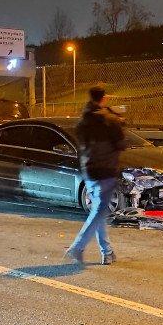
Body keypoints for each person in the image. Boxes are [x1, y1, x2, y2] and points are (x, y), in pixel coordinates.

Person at [65, 85, 127, 265]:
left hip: (89, 171)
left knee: (98, 210)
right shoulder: (109, 120)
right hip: (106, 170)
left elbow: (82, 142)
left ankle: (107, 252)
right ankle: (78, 247)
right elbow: (121, 144)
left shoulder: (83, 120)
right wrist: (120, 123)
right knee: (100, 210)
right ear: (104, 98)